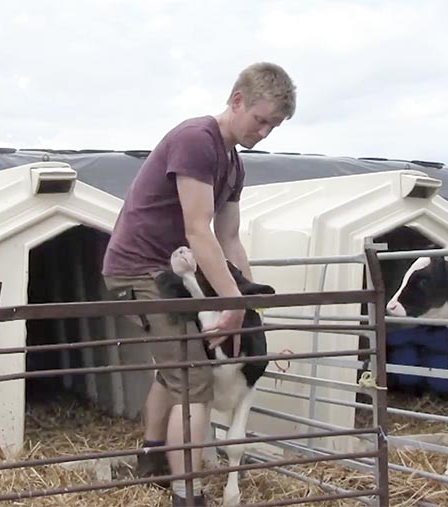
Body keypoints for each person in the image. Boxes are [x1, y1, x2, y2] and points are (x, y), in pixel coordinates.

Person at [102, 62, 296, 506]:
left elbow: (228, 238)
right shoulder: (196, 140)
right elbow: (198, 230)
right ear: (237, 101)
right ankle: (185, 493)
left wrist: (245, 294)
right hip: (142, 268)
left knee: (175, 367)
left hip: (171, 267)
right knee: (193, 377)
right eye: (260, 119)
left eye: (274, 125)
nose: (264, 132)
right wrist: (231, 301)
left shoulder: (233, 163)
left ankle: (152, 457)